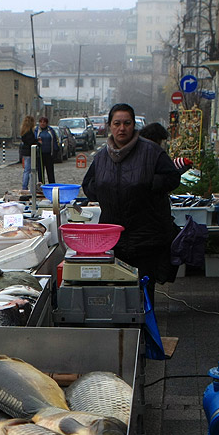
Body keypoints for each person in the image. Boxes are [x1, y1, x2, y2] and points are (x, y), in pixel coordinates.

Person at [81, 102, 182, 308]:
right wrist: (104, 194)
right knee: (118, 293)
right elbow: (88, 184)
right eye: (117, 123)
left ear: (133, 125)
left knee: (144, 294)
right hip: (113, 239)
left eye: (127, 123)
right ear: (110, 126)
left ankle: (145, 336)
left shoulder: (151, 151)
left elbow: (172, 177)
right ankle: (122, 334)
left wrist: (150, 186)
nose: (122, 128)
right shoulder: (102, 156)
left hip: (145, 238)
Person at [34, 116, 59, 185]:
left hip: (49, 154)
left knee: (50, 172)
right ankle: (41, 186)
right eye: (41, 122)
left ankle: (52, 186)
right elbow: (33, 140)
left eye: (44, 122)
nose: (42, 124)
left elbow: (54, 141)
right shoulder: (36, 131)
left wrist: (55, 151)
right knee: (40, 172)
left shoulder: (50, 131)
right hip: (40, 155)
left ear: (46, 123)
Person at [19, 114, 37, 192]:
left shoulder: (23, 131)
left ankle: (25, 186)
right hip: (30, 152)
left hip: (25, 152)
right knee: (30, 170)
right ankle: (27, 186)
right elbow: (31, 142)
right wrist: (37, 143)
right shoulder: (29, 132)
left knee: (27, 170)